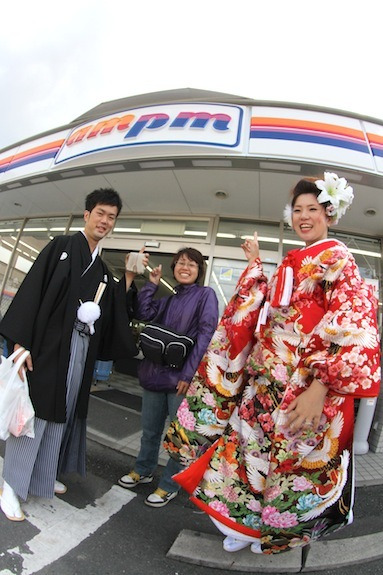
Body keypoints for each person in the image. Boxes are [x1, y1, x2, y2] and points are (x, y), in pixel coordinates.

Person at [164, 173, 381, 553]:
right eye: (297, 210)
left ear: (329, 213)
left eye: (313, 209)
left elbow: (350, 321)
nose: (304, 216)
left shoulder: (337, 257)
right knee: (249, 458)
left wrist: (319, 388)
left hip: (302, 385)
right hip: (266, 382)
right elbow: (268, 309)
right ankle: (244, 528)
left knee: (290, 465)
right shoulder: (294, 259)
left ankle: (268, 531)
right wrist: (253, 266)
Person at [0, 187, 145, 522]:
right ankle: (11, 485)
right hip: (46, 347)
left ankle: (40, 476)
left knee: (61, 411)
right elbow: (32, 291)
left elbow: (111, 314)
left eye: (111, 217)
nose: (105, 221)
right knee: (35, 412)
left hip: (78, 350)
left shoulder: (103, 269)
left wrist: (129, 279)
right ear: (87, 214)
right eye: (100, 214)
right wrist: (21, 343)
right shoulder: (61, 248)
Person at [118, 247, 219, 507]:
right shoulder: (169, 298)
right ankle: (143, 470)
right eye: (180, 263)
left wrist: (189, 373)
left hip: (181, 380)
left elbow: (206, 336)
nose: (185, 267)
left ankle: (169, 485)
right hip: (154, 374)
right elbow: (144, 312)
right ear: (174, 268)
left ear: (199, 271)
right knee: (150, 431)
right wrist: (151, 284)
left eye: (191, 264)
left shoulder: (205, 295)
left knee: (178, 437)